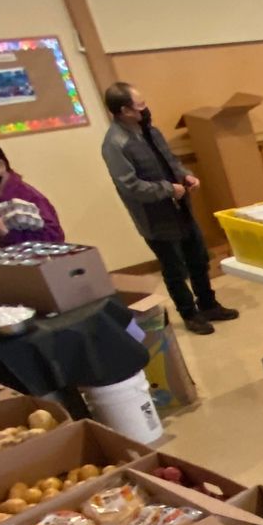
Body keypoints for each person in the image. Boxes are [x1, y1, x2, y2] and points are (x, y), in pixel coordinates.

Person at [100, 82, 238, 336]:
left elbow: (171, 161)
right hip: (154, 218)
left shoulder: (151, 131)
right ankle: (189, 314)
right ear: (124, 111)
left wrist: (186, 176)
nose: (146, 109)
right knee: (174, 268)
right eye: (140, 106)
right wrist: (167, 189)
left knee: (198, 258)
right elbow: (130, 186)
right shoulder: (115, 144)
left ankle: (208, 304)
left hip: (180, 208)